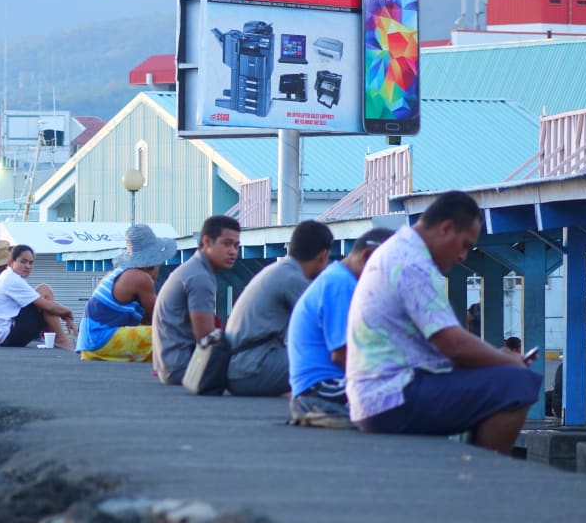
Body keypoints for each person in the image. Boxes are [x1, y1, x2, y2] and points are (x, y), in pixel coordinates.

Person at [346, 190, 542, 454]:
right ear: (446, 228)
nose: (463, 257)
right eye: (464, 245)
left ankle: (474, 463)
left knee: (498, 376)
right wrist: (510, 360)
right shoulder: (413, 265)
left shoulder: (399, 251)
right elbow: (453, 345)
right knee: (518, 383)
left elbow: (449, 344)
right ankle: (485, 476)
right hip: (391, 398)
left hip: (376, 395)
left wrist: (496, 357)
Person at [287, 227, 394, 427]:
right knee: (405, 396)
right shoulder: (341, 285)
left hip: (316, 386)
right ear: (368, 256)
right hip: (321, 388)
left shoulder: (337, 278)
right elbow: (342, 355)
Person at [225, 220, 333, 397]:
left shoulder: (279, 269)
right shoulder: (293, 279)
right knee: (332, 355)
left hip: (238, 368)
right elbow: (325, 324)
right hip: (251, 370)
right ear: (323, 255)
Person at [152, 215, 240, 385]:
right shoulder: (199, 277)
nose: (233, 251)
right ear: (206, 241)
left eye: (236, 246)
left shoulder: (194, 269)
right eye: (226, 243)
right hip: (182, 368)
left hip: (171, 365)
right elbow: (206, 338)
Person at [77, 224, 176, 362]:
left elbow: (146, 320)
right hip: (102, 341)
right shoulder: (141, 278)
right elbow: (160, 316)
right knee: (173, 334)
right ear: (154, 262)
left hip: (90, 345)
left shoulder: (118, 273)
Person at [0, 244, 77, 348]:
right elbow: (48, 306)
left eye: (30, 263)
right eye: (23, 261)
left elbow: (45, 304)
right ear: (11, 262)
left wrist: (63, 313)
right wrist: (68, 312)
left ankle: (54, 338)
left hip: (3, 336)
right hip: (8, 336)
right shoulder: (12, 280)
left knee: (42, 293)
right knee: (44, 290)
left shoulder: (8, 276)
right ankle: (60, 340)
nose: (27, 266)